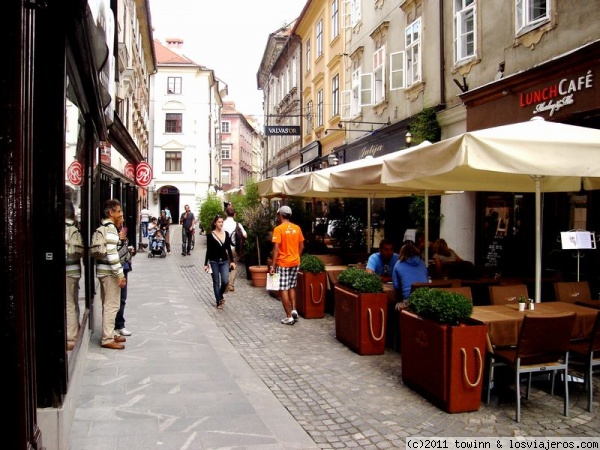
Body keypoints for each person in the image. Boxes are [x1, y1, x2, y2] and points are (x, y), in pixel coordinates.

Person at [96, 199, 127, 350]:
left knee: (108, 303)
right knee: (112, 305)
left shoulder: (105, 226)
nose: (121, 213)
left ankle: (110, 332)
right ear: (111, 213)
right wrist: (120, 274)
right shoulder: (111, 229)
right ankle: (107, 338)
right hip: (109, 272)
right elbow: (112, 253)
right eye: (119, 211)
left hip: (104, 271)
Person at [270, 205, 304, 325]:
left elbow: (276, 248)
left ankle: (289, 316)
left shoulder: (278, 229)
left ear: (281, 215)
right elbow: (302, 246)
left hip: (283, 263)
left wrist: (273, 266)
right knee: (292, 286)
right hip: (295, 262)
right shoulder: (297, 228)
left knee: (283, 288)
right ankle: (294, 310)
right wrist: (296, 257)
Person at [204, 214, 235, 309]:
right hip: (214, 261)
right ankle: (218, 301)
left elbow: (228, 248)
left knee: (225, 281)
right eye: (219, 222)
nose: (221, 224)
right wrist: (205, 263)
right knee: (216, 282)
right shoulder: (210, 235)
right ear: (215, 223)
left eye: (222, 222)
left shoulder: (226, 234)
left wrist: (232, 261)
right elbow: (208, 250)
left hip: (224, 261)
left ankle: (220, 295)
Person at [65, 202, 81, 351]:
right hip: (75, 270)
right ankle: (75, 327)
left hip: (67, 271)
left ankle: (70, 336)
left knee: (68, 303)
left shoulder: (65, 229)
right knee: (73, 300)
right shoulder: (75, 228)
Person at [222, 206, 247, 292]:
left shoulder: (222, 224)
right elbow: (245, 235)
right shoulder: (238, 224)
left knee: (224, 266)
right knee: (234, 266)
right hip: (234, 249)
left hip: (224, 249)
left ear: (226, 213)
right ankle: (231, 285)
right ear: (234, 214)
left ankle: (225, 285)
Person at [115, 224, 133, 337]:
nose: (121, 218)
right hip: (115, 269)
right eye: (119, 215)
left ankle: (119, 325)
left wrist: (125, 242)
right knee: (114, 301)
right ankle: (115, 326)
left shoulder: (121, 230)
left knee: (122, 298)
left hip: (124, 267)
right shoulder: (109, 231)